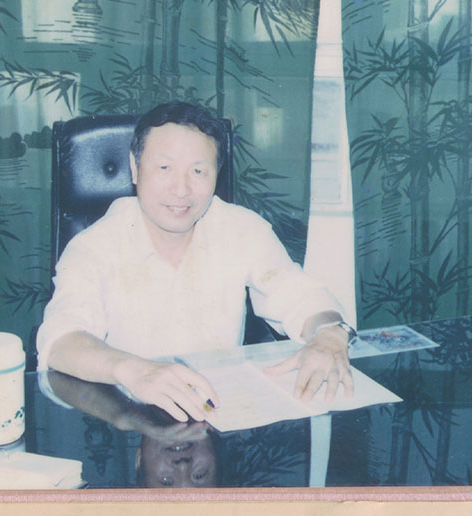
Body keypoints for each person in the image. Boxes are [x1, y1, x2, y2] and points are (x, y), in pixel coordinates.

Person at [36, 101, 355, 424]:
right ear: (134, 167)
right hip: (133, 417)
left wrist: (329, 334)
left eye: (198, 171)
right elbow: (60, 341)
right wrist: (137, 371)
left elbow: (300, 296)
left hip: (219, 414)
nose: (181, 190)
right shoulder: (94, 246)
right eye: (164, 168)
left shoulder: (241, 229)